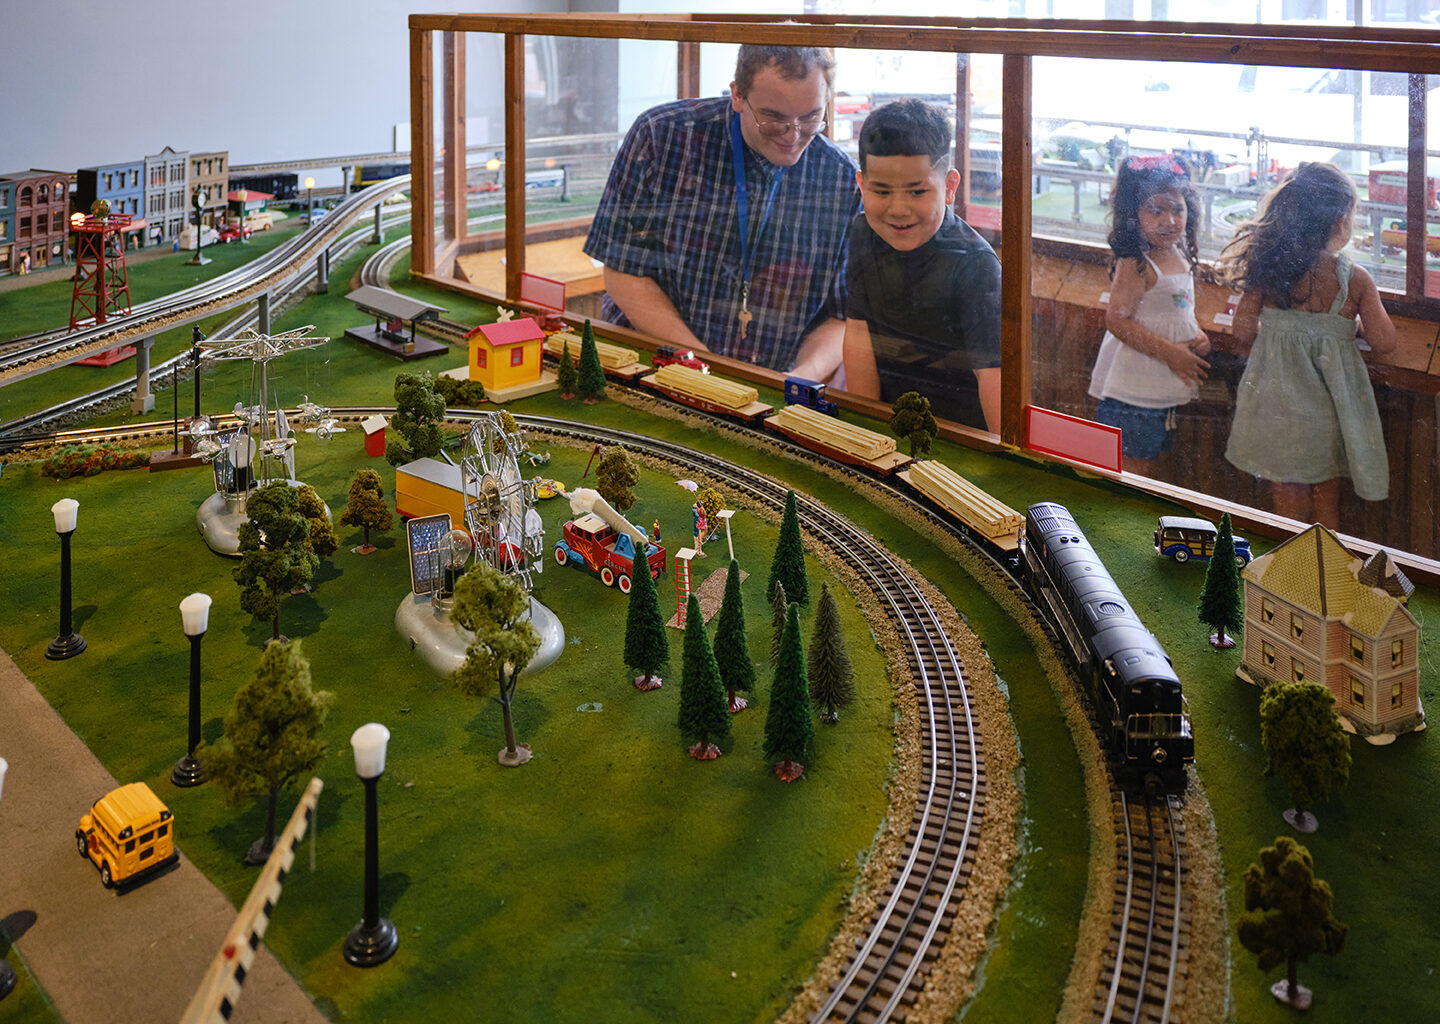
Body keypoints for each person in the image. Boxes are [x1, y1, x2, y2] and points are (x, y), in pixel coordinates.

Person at [584, 45, 861, 382]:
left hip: (768, 385)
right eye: (773, 117)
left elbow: (841, 315)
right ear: (737, 95)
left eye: (810, 117)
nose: (793, 134)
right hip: (651, 366)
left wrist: (801, 378)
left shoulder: (842, 176)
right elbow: (622, 271)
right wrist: (701, 368)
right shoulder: (663, 136)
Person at [1216, 161, 1396, 529]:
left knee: (1286, 492)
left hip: (1275, 407)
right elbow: (1385, 342)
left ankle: (1287, 568)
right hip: (1328, 413)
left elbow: (1242, 332)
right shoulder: (1354, 279)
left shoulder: (1270, 269)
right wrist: (1349, 326)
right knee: (1325, 494)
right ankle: (1320, 569)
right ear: (1338, 222)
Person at [841, 99, 1000, 431]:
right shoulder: (862, 232)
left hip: (962, 435)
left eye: (916, 191)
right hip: (890, 423)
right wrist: (864, 427)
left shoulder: (978, 266)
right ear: (861, 184)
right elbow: (858, 334)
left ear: (950, 187)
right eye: (881, 192)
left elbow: (993, 377)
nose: (898, 209)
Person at [1087, 154, 1212, 475]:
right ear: (1134, 215)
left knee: (1149, 465)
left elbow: (1175, 308)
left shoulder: (1178, 253)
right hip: (1134, 390)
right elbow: (1117, 320)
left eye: (1177, 209)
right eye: (1156, 211)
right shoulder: (1136, 263)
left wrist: (1195, 333)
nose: (1169, 220)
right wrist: (1173, 354)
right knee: (1130, 471)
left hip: (1159, 386)